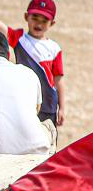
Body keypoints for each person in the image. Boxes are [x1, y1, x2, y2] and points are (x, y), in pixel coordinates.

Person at [7, 0, 66, 130]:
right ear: (26, 16)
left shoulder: (54, 48)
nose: (39, 24)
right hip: (23, 101)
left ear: (52, 23)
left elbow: (58, 79)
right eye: (34, 18)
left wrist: (62, 107)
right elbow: (3, 29)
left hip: (48, 105)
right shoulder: (19, 38)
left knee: (46, 143)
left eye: (44, 21)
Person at [0, 19, 56, 155]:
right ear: (8, 54)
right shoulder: (27, 73)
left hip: (3, 151)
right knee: (48, 126)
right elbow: (35, 110)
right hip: (37, 149)